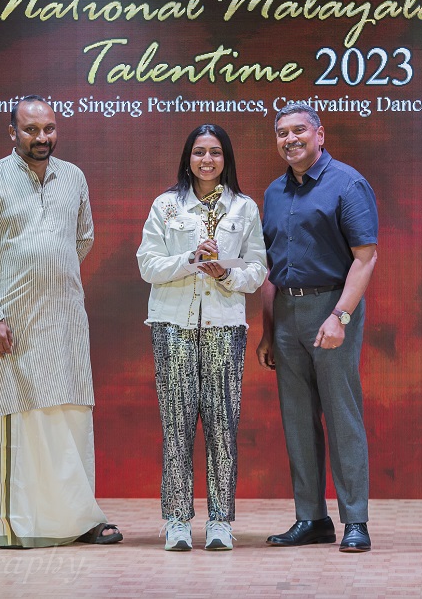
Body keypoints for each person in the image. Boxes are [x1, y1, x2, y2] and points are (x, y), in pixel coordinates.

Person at [0, 95, 122, 548]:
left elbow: (83, 238)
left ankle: (78, 518)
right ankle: (21, 524)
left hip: (65, 319)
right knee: (24, 418)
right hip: (12, 324)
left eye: (48, 128)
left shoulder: (73, 177)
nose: (41, 138)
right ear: (12, 131)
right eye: (31, 130)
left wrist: (50, 274)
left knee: (69, 418)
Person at [137, 124, 268, 551]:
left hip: (224, 326)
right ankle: (177, 520)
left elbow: (258, 269)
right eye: (198, 152)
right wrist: (190, 260)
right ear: (187, 158)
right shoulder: (166, 205)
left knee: (222, 425)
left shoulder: (244, 208)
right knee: (176, 425)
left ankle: (220, 521)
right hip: (172, 325)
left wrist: (226, 274)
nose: (206, 160)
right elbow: (147, 265)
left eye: (214, 152)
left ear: (226, 158)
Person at [256, 103, 379, 553]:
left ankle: (355, 521)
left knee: (342, 416)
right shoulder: (273, 193)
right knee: (297, 419)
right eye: (282, 133)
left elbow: (365, 258)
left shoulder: (348, 183)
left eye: (299, 130)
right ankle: (311, 518)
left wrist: (340, 316)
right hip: (286, 312)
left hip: (331, 307)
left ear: (319, 135)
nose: (290, 139)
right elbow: (269, 268)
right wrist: (269, 330)